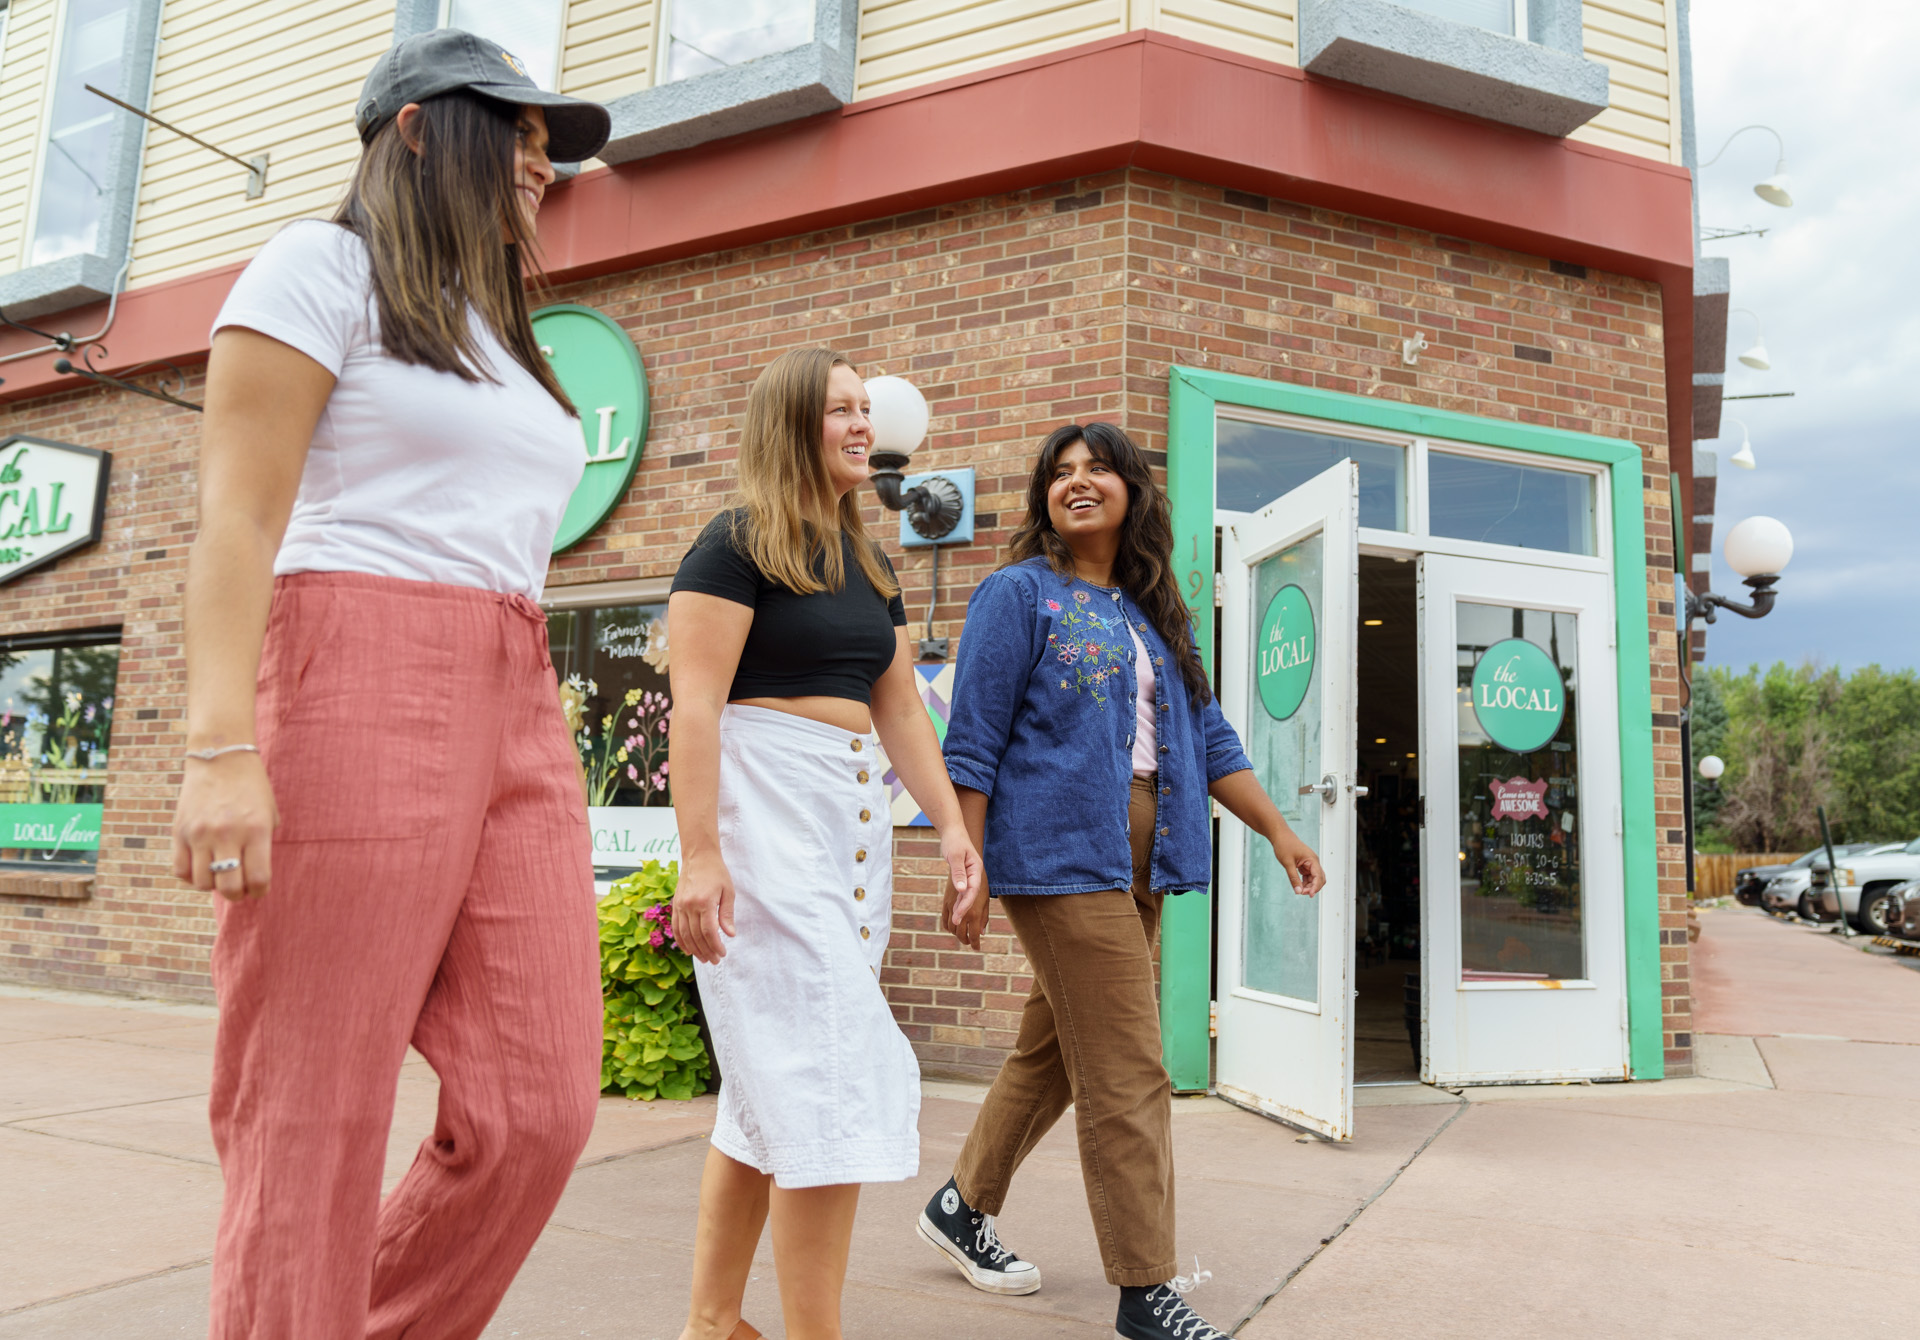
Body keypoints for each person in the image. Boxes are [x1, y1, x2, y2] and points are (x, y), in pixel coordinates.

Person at [170, 30, 613, 1339]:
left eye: (552, 141)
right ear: (418, 129)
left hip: (515, 686)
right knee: (311, 1113)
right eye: (517, 129)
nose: (542, 158)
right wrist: (217, 748)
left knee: (539, 1106)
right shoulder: (318, 270)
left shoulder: (498, 332)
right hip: (352, 662)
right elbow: (236, 522)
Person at [917, 422, 1327, 1340]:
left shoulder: (1154, 611)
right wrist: (967, 859)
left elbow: (1211, 739)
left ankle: (959, 1205)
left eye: (1098, 467)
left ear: (1133, 491)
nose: (1078, 481)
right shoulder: (1018, 595)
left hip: (1144, 858)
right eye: (1060, 473)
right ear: (1044, 499)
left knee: (1056, 1053)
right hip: (1059, 860)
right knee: (1130, 1068)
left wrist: (1278, 831)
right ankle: (1145, 1293)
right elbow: (973, 739)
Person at [666, 347, 983, 1340]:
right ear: (791, 424)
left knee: (769, 1092)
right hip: (763, 828)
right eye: (839, 408)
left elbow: (898, 708)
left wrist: (954, 827)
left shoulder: (869, 559)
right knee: (836, 1080)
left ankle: (712, 1322)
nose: (861, 423)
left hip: (847, 835)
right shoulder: (733, 545)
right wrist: (700, 853)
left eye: (864, 409)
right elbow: (694, 707)